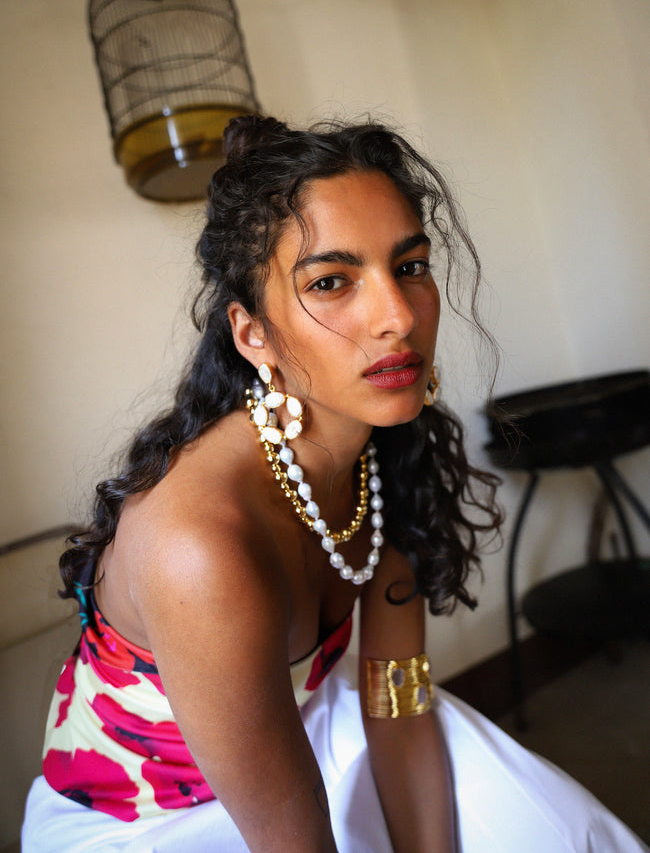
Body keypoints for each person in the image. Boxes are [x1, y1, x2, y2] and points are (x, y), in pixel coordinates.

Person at [22, 117, 648, 853]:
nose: (397, 317)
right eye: (330, 282)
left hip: (312, 723)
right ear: (253, 335)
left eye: (410, 266)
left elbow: (397, 702)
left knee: (565, 832)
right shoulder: (198, 545)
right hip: (145, 823)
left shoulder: (387, 464)